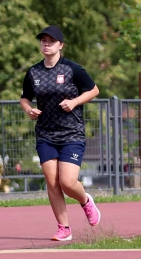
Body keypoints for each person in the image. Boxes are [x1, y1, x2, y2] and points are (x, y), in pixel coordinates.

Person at [19, 25, 102, 241]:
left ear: (61, 45)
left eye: (51, 41)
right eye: (43, 40)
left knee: (67, 182)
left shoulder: (72, 69)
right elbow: (25, 97)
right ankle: (64, 228)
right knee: (52, 181)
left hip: (71, 133)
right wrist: (29, 109)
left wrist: (75, 102)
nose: (46, 44)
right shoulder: (34, 72)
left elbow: (94, 90)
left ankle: (85, 201)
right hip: (45, 134)